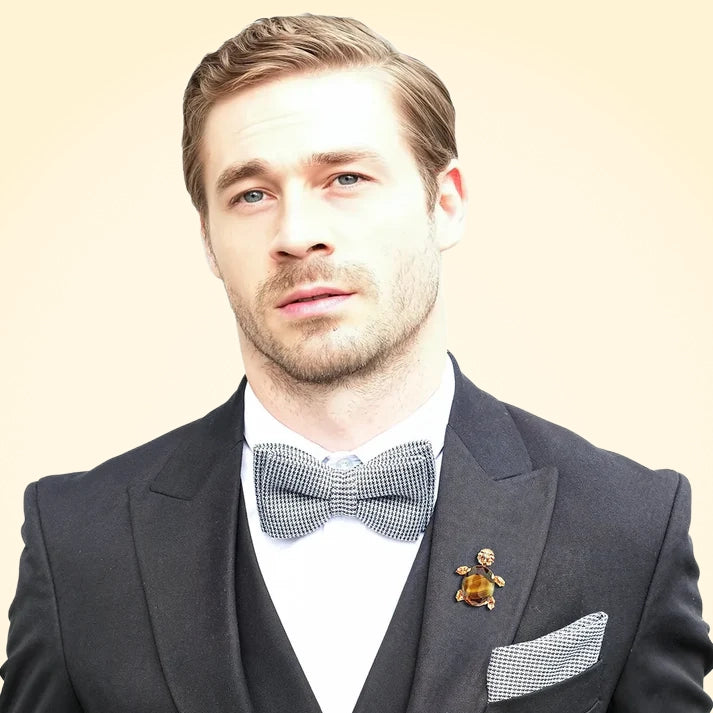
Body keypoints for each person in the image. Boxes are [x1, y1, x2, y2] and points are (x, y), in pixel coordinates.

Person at [1, 13, 711, 713]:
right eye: (251, 194)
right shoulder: (77, 544)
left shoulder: (628, 525)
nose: (297, 233)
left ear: (444, 203)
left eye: (345, 178)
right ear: (209, 242)